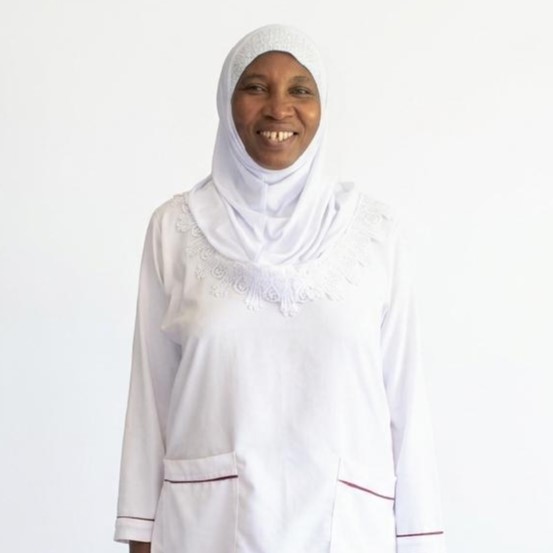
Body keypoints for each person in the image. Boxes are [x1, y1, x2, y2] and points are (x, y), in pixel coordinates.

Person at [113, 24, 446, 553]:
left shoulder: (376, 233)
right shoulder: (175, 228)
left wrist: (421, 538)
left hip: (345, 529)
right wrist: (139, 533)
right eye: (255, 87)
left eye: (300, 89)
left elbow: (405, 400)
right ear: (227, 101)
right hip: (206, 530)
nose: (278, 109)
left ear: (322, 106)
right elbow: (149, 399)